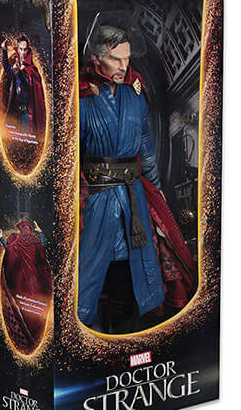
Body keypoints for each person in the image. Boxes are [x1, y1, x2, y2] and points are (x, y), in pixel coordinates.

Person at [78, 25, 196, 333]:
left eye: (127, 58)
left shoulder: (136, 94)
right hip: (93, 199)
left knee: (132, 269)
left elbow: (145, 149)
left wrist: (154, 188)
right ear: (96, 58)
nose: (124, 66)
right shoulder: (78, 96)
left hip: (134, 199)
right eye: (115, 59)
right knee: (93, 272)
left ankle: (127, 336)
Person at [0, 213, 52, 354]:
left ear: (20, 226)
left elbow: (9, 250)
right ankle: (36, 339)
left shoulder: (16, 239)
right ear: (30, 226)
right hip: (37, 282)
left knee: (25, 308)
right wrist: (40, 233)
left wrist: (1, 238)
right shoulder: (36, 240)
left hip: (22, 282)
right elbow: (43, 251)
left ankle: (27, 341)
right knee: (37, 310)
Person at [0, 35, 45, 136]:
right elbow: (7, 68)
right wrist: (4, 51)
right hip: (17, 111)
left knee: (25, 138)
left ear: (28, 50)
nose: (23, 52)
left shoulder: (31, 69)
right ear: (18, 49)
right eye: (21, 49)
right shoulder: (16, 65)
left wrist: (19, 73)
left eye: (25, 49)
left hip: (27, 115)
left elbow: (28, 88)